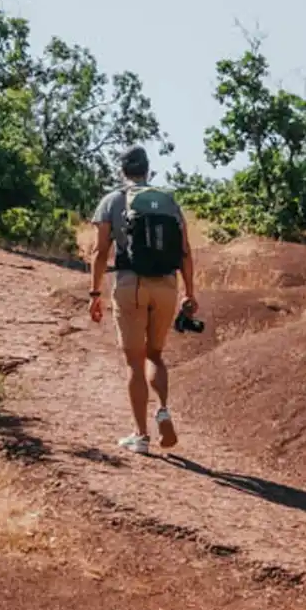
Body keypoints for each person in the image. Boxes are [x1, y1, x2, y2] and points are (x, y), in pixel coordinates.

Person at [89, 146, 197, 455]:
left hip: (131, 283)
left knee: (134, 361)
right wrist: (190, 292)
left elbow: (100, 252)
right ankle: (162, 409)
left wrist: (95, 293)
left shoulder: (112, 201)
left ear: (122, 170)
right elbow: (186, 251)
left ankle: (140, 436)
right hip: (166, 284)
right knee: (156, 355)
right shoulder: (169, 203)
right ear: (148, 170)